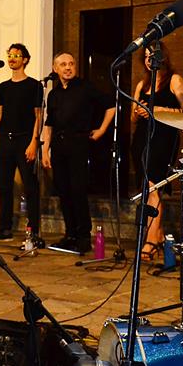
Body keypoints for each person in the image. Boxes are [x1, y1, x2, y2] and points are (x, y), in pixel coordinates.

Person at [40, 52, 115, 254]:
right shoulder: (53, 94)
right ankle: (70, 234)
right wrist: (45, 150)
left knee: (78, 191)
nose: (68, 67)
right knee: (63, 191)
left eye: (71, 63)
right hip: (58, 146)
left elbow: (111, 105)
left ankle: (83, 236)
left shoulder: (85, 87)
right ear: (55, 68)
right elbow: (49, 124)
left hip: (78, 145)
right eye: (63, 64)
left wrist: (101, 130)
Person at [130, 42, 183, 261]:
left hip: (163, 138)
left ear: (162, 56)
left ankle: (151, 240)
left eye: (152, 55)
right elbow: (133, 118)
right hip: (142, 138)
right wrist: (139, 110)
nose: (148, 59)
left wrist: (158, 110)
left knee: (154, 186)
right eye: (145, 56)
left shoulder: (174, 79)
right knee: (147, 187)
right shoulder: (142, 83)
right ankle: (157, 234)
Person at [0, 43, 43, 242]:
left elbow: (38, 116)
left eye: (16, 55)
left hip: (25, 140)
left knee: (30, 186)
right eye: (10, 55)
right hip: (6, 139)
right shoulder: (2, 87)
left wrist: (34, 142)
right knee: (4, 186)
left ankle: (33, 230)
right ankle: (5, 228)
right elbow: (0, 115)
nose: (12, 59)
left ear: (25, 59)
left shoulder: (34, 86)